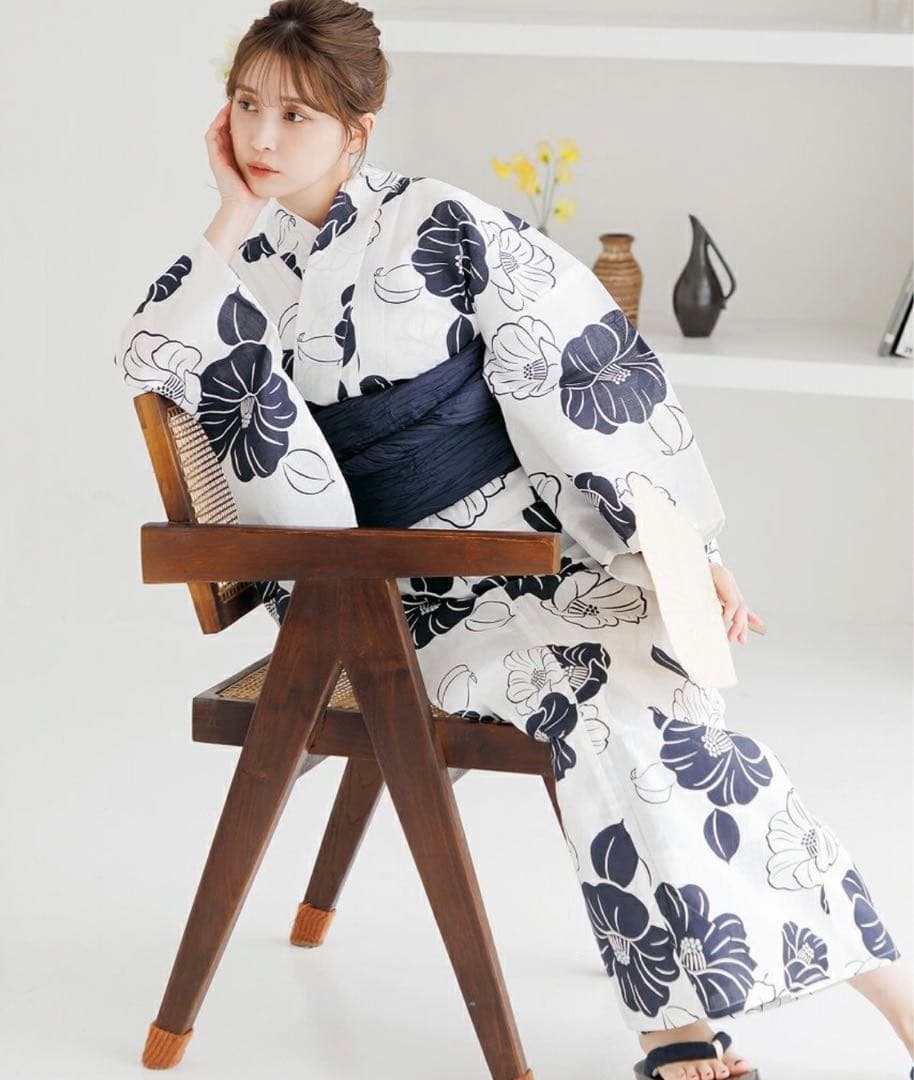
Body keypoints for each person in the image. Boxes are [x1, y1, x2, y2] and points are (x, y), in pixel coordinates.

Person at [114, 2, 913, 1077]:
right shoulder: (244, 271)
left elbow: (574, 370)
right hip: (394, 598)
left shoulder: (437, 223)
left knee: (673, 699)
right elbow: (150, 353)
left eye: (296, 114)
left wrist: (684, 549)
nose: (262, 135)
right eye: (247, 106)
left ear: (357, 129)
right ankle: (681, 1031)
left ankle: (868, 987)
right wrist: (226, 211)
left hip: (530, 558)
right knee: (595, 710)